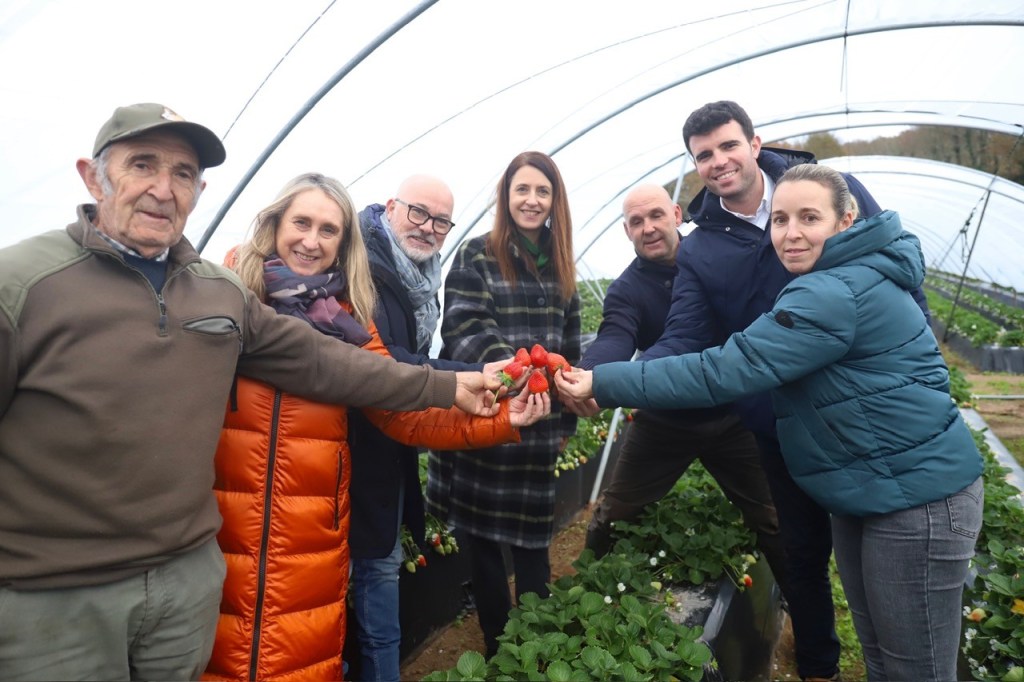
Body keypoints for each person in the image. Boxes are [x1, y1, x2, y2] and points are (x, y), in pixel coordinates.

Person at [0, 102, 502, 681]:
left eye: (183, 173)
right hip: (61, 589)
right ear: (93, 177)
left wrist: (456, 388)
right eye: (142, 165)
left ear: (200, 191)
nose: (163, 189)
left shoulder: (222, 296)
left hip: (194, 576)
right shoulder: (27, 282)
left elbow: (337, 365)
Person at [556, 163, 984, 682]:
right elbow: (673, 340)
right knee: (882, 654)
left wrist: (603, 383)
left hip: (915, 500)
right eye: (780, 220)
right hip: (874, 489)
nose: (791, 232)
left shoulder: (829, 293)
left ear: (846, 220)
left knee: (914, 667)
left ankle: (818, 655)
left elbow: (725, 369)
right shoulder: (826, 277)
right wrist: (600, 372)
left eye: (809, 218)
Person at [203, 173, 549, 681]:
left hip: (312, 536)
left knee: (300, 654)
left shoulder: (348, 315)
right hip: (224, 528)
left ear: (345, 243)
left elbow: (400, 407)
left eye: (329, 230)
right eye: (302, 223)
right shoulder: (226, 296)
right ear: (275, 224)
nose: (312, 241)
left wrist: (500, 417)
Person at [637, 100, 911, 682]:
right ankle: (819, 665)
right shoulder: (702, 247)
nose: (718, 161)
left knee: (880, 552)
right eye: (703, 155)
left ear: (755, 144)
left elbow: (898, 271)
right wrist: (616, 380)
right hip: (777, 424)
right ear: (695, 166)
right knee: (800, 551)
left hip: (860, 413)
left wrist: (908, 368)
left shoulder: (828, 189)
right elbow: (684, 335)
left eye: (728, 145)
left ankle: (899, 659)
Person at [562, 183, 787, 593]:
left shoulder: (713, 259)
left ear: (677, 215)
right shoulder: (628, 289)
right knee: (615, 512)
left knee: (772, 513)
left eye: (656, 216)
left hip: (733, 414)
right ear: (627, 231)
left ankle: (793, 597)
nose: (648, 227)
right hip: (665, 420)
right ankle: (583, 598)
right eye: (636, 221)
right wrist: (589, 375)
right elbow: (615, 336)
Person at [349, 175, 514, 681]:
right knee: (365, 577)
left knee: (377, 572)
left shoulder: (420, 276)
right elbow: (386, 362)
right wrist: (469, 376)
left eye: (441, 221)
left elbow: (411, 364)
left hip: (391, 440)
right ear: (391, 206)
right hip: (351, 448)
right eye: (418, 212)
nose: (428, 228)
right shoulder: (359, 267)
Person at [426, 151, 581, 658]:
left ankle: (535, 650)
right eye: (522, 190)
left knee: (533, 545)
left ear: (555, 200)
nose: (532, 200)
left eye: (543, 191)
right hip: (487, 415)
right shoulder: (478, 255)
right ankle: (498, 647)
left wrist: (565, 416)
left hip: (537, 427)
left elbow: (570, 348)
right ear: (506, 196)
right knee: (483, 548)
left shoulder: (562, 265)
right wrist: (516, 375)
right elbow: (465, 326)